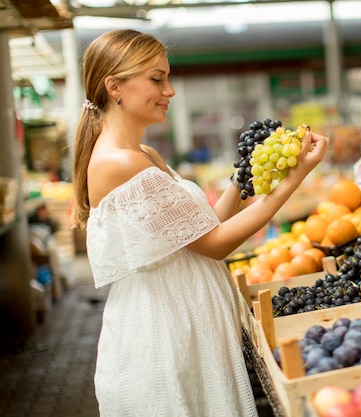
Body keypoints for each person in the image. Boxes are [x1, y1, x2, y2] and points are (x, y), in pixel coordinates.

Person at [71, 29, 329, 417]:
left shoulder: (144, 154)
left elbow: (201, 227)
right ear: (114, 87)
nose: (169, 90)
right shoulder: (120, 163)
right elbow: (215, 244)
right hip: (163, 340)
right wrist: (294, 180)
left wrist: (245, 179)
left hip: (184, 333)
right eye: (157, 79)